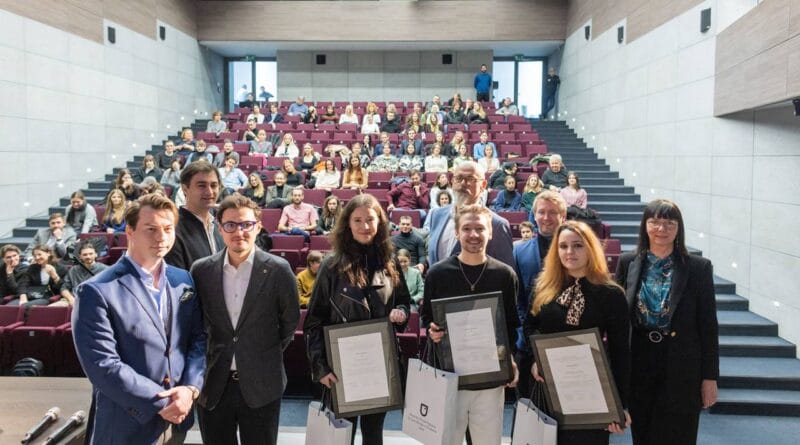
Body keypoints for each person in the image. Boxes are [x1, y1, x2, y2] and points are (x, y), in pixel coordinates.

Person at [72, 193, 206, 444]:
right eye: (151, 229)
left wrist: (190, 389)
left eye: (168, 229)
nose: (161, 237)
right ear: (130, 231)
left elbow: (197, 340)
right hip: (126, 422)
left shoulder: (183, 280)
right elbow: (103, 365)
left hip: (178, 419)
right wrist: (167, 400)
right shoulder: (96, 290)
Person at [191, 194, 299, 445]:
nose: (238, 232)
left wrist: (256, 351)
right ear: (220, 228)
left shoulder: (279, 270)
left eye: (246, 224)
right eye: (230, 225)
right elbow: (196, 325)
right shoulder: (201, 270)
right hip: (213, 383)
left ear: (258, 226)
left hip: (262, 383)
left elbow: (289, 324)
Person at [303, 194, 411, 445]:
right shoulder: (331, 266)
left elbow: (403, 300)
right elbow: (314, 321)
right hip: (341, 368)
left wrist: (402, 312)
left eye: (370, 220)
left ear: (380, 223)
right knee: (342, 436)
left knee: (374, 436)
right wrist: (320, 367)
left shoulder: (390, 262)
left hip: (380, 365)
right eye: (358, 220)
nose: (365, 226)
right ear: (347, 224)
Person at [615, 199, 719, 445]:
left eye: (669, 223)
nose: (661, 229)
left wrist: (710, 377)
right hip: (640, 359)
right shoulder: (627, 262)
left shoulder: (698, 268)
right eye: (655, 222)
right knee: (644, 431)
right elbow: (618, 317)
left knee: (680, 433)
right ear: (645, 226)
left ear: (678, 228)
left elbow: (708, 326)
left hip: (682, 362)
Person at [525, 220, 631, 445]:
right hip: (548, 388)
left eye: (577, 245)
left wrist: (619, 405)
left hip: (590, 394)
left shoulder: (611, 294)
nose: (569, 252)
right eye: (563, 246)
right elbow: (530, 327)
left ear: (590, 249)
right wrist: (536, 360)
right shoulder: (543, 286)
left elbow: (621, 352)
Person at [422, 204, 519, 445]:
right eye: (467, 228)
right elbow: (427, 318)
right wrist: (433, 332)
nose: (474, 235)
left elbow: (510, 324)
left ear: (491, 232)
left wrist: (511, 361)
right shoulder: (437, 273)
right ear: (457, 232)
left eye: (480, 228)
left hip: (489, 379)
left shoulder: (505, 274)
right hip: (449, 377)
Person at [513, 190, 566, 396]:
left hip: (565, 341)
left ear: (563, 216)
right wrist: (526, 336)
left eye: (553, 212)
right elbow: (517, 300)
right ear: (534, 215)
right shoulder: (519, 251)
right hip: (527, 345)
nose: (546, 218)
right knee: (527, 412)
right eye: (541, 212)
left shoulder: (574, 250)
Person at [425, 161, 514, 268]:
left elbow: (506, 275)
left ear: (483, 185)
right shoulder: (436, 215)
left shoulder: (497, 224)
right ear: (452, 182)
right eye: (458, 178)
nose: (463, 183)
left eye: (470, 179)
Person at [165, 161, 224, 270]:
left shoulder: (219, 228)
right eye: (201, 186)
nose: (209, 192)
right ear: (185, 189)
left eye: (214, 185)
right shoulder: (172, 230)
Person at [52, 241, 108, 307]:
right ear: (80, 256)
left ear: (96, 254)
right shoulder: (73, 270)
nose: (88, 256)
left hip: (95, 301)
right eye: (85, 254)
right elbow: (64, 288)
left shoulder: (105, 269)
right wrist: (71, 299)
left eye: (91, 254)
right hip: (73, 299)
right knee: (47, 311)